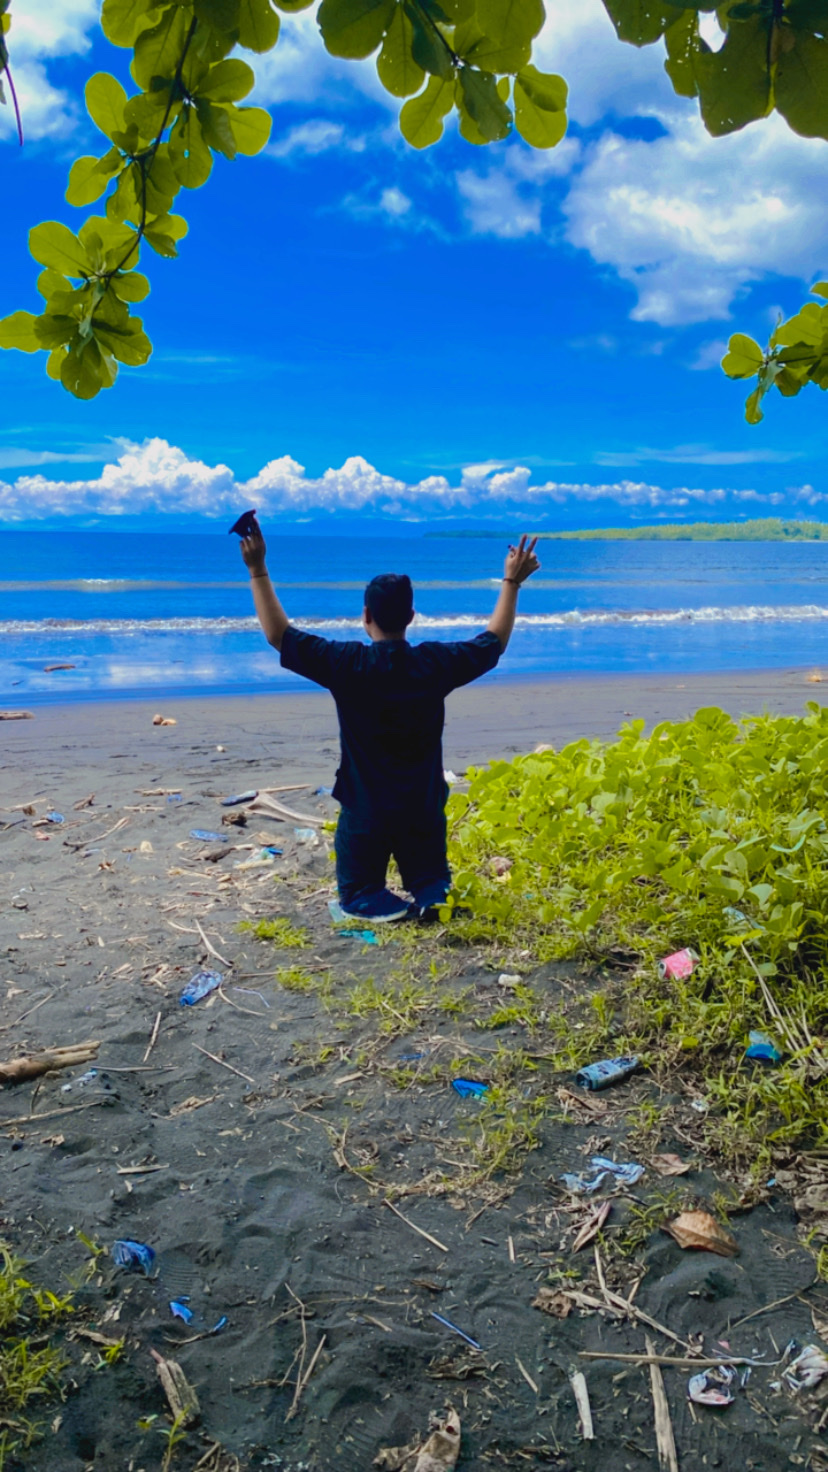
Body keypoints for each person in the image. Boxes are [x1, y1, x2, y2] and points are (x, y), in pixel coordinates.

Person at [240, 521, 540, 921]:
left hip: (366, 811)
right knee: (432, 879)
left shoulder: (348, 663)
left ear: (366, 616)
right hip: (422, 809)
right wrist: (511, 582)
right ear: (411, 616)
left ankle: (373, 898)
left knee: (357, 892)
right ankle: (431, 893)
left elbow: (279, 635)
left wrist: (257, 569)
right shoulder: (433, 663)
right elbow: (493, 642)